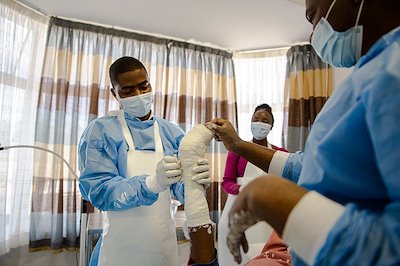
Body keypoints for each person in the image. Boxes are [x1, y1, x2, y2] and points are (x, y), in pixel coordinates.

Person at [210, 0, 400, 265]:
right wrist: (238, 146)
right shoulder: (372, 71)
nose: (313, 36)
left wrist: (273, 199)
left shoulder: (392, 72)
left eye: (313, 18)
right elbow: (319, 168)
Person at [78, 56, 212, 266]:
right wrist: (152, 184)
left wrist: (197, 183)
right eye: (127, 91)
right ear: (114, 93)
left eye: (143, 86)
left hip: (162, 250)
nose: (138, 95)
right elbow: (98, 191)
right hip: (120, 253)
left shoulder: (171, 133)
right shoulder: (101, 132)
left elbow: (180, 190)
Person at [218, 104, 290, 265]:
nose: (259, 123)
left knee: (264, 255)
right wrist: (243, 190)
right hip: (237, 210)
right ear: (250, 122)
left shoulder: (281, 153)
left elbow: (286, 185)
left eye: (265, 120)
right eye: (255, 119)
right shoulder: (236, 150)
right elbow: (227, 182)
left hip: (267, 217)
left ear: (272, 126)